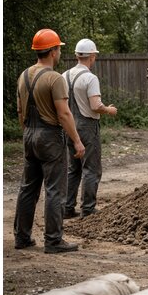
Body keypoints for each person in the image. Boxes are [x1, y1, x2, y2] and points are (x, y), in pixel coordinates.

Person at [14, 28, 85, 254]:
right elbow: (64, 114)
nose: (59, 52)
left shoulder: (23, 76)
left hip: (29, 134)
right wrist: (77, 141)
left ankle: (22, 237)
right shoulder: (55, 78)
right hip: (49, 137)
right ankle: (53, 240)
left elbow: (19, 111)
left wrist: (28, 134)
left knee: (28, 188)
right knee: (55, 190)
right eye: (58, 48)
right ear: (53, 51)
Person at [62, 38, 117, 219]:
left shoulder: (64, 76)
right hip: (87, 127)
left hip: (69, 126)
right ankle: (88, 209)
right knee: (91, 169)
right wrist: (109, 109)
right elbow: (95, 105)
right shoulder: (90, 78)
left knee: (73, 168)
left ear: (77, 55)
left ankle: (67, 208)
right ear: (92, 56)